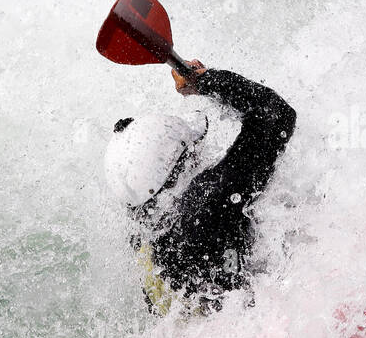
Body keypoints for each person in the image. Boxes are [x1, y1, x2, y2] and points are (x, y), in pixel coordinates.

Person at [103, 60, 296, 314]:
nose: (200, 150)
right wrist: (206, 81)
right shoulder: (212, 197)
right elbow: (275, 114)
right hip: (257, 318)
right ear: (182, 162)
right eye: (194, 147)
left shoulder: (142, 233)